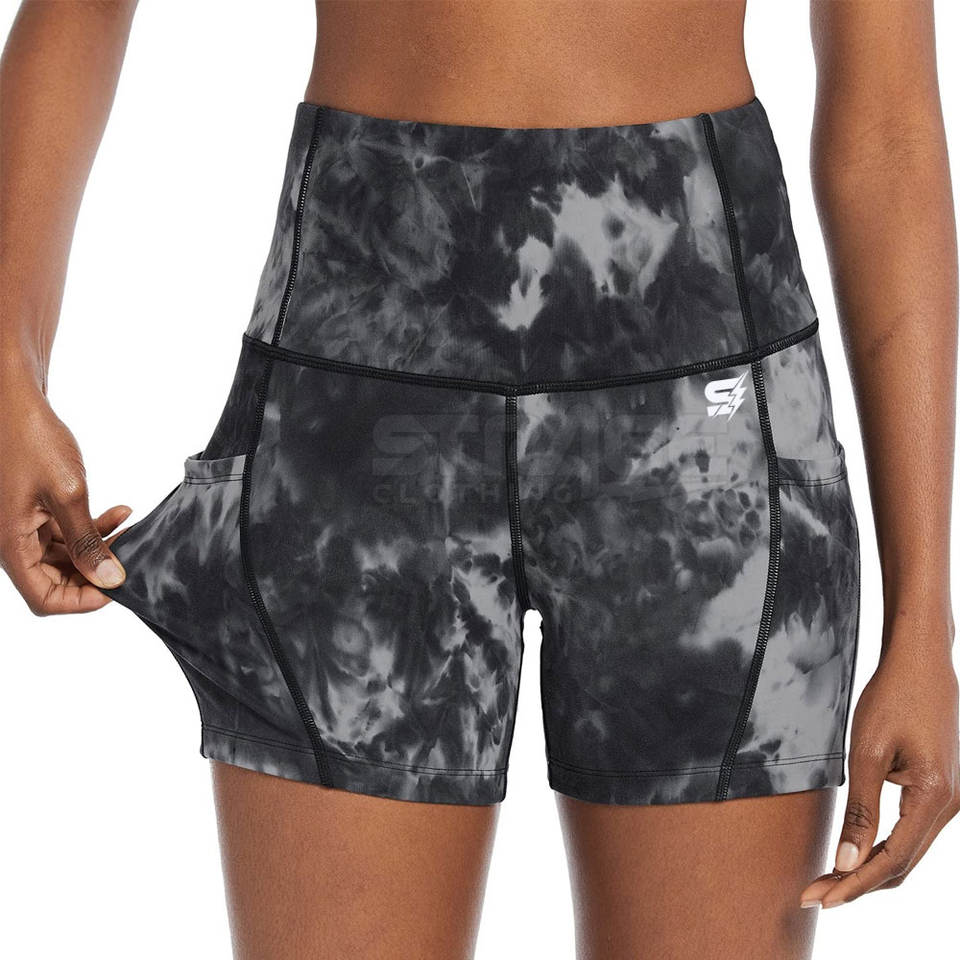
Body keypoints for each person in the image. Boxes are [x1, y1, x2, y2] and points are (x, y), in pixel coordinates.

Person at [1, 2, 957, 958]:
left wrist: (924, 625)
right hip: (357, 398)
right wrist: (8, 368)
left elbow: (889, 132)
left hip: (705, 418)